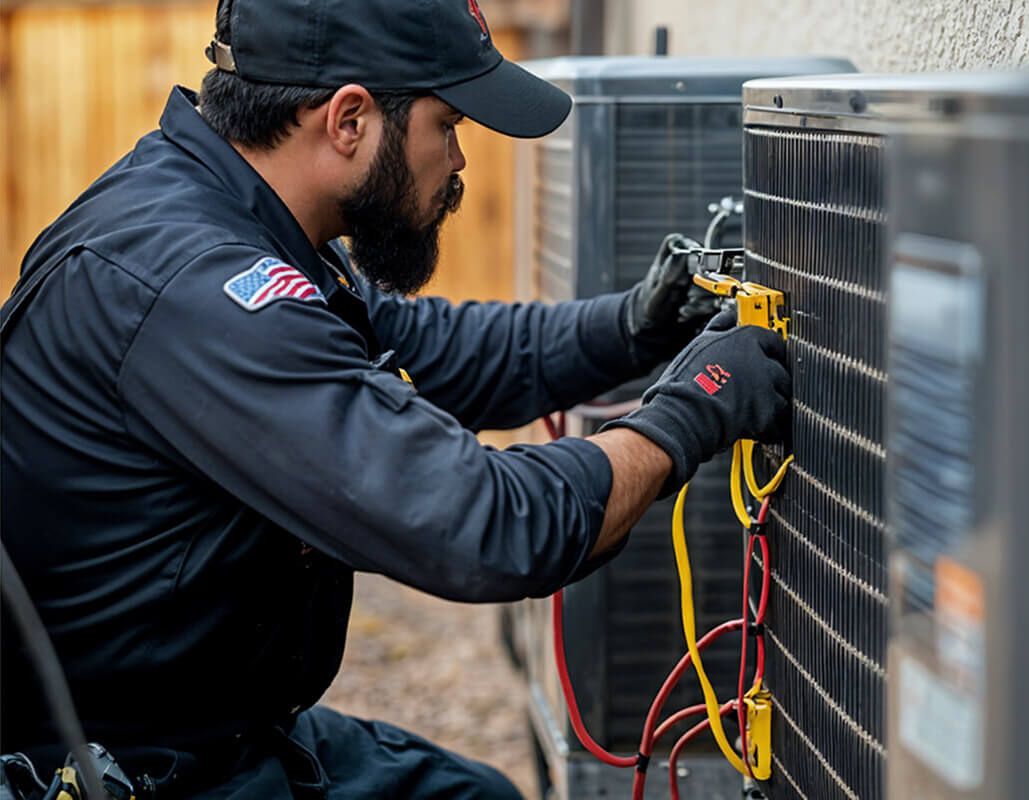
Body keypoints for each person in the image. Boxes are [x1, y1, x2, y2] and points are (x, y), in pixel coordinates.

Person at [0, 0, 791, 797]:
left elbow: (437, 349)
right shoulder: (200, 292)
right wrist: (698, 405)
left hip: (211, 726)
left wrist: (634, 326)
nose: (457, 161)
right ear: (349, 120)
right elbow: (488, 527)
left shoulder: (227, 212)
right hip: (125, 770)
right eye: (447, 124)